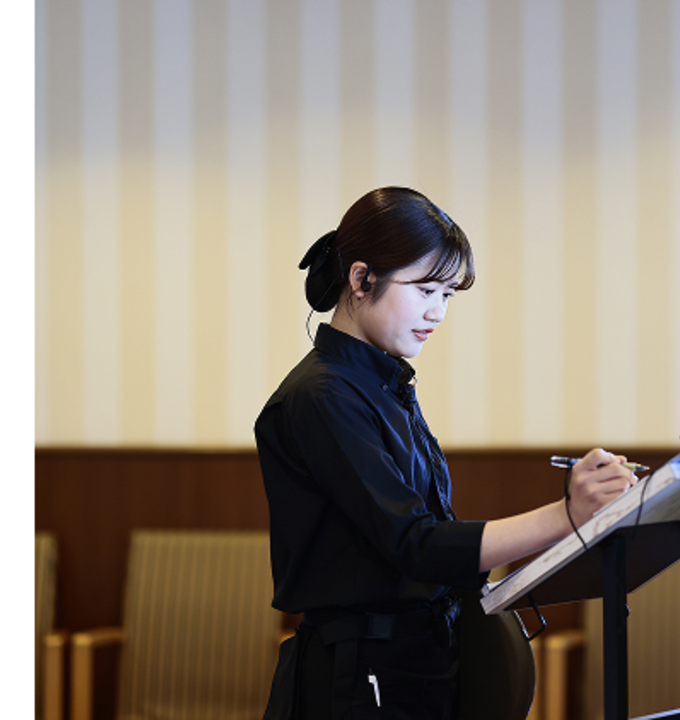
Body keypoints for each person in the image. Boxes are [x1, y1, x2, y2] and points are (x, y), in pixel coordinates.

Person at [254, 186, 636, 720]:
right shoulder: (322, 396)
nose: (437, 312)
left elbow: (432, 535)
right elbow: (416, 543)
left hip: (416, 661)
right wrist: (567, 515)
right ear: (361, 279)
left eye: (448, 295)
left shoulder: (381, 383)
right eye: (426, 290)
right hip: (360, 678)